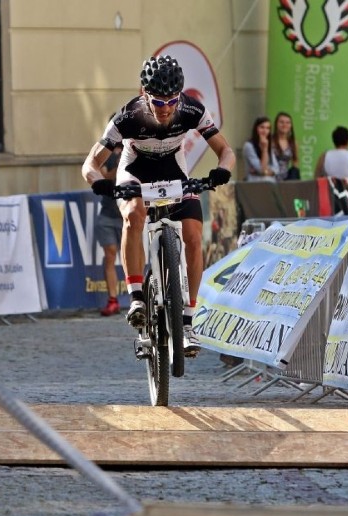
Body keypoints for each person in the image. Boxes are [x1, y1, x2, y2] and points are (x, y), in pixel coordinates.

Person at [81, 54, 235, 356]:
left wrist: (223, 170)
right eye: (158, 102)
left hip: (173, 171)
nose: (166, 109)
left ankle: (188, 319)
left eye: (172, 102)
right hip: (136, 170)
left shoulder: (191, 110)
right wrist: (97, 181)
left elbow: (226, 150)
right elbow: (91, 163)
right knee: (133, 216)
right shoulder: (128, 117)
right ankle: (137, 297)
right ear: (144, 94)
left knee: (192, 234)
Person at [96, 137, 124, 317]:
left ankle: (140, 296)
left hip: (127, 215)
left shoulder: (137, 150)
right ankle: (113, 299)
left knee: (133, 255)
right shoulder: (106, 154)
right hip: (107, 213)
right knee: (110, 254)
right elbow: (104, 175)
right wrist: (119, 167)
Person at [243, 116, 279, 181]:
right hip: (254, 183)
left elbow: (276, 169)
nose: (265, 131)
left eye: (268, 128)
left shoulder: (269, 144)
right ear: (256, 128)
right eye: (262, 127)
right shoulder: (249, 146)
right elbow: (261, 169)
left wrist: (264, 172)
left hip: (270, 183)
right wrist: (264, 150)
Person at [272, 112, 299, 181]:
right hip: (271, 176)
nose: (284, 125)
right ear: (276, 124)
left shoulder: (293, 142)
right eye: (281, 122)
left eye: (288, 123)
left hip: (286, 179)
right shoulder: (270, 141)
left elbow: (295, 161)